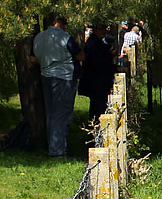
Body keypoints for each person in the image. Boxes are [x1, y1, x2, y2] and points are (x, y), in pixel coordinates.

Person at [30, 15, 82, 158]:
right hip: (64, 77)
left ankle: (53, 145)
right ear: (61, 24)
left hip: (46, 76)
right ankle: (58, 151)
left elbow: (33, 58)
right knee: (61, 114)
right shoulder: (65, 37)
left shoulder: (39, 37)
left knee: (51, 113)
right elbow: (79, 56)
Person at [80, 21, 115, 121]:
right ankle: (96, 128)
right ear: (95, 30)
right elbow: (98, 62)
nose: (103, 31)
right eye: (101, 29)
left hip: (99, 81)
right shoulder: (93, 43)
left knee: (99, 106)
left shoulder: (98, 42)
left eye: (104, 29)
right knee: (97, 108)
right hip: (96, 81)